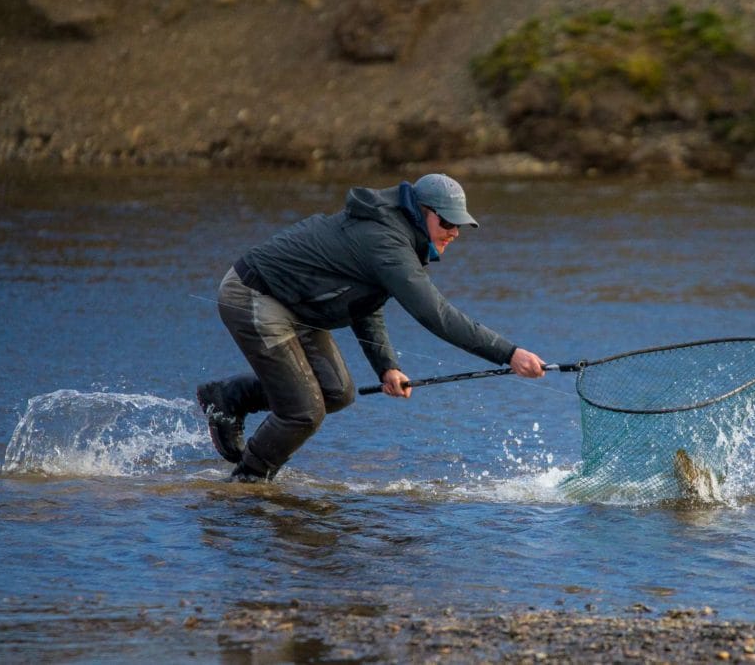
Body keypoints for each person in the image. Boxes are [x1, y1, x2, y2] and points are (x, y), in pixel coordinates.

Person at [197, 173, 547, 482]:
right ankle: (249, 482)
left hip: (299, 303)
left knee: (337, 392)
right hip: (255, 293)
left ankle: (232, 398)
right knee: (303, 412)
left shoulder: (396, 238)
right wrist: (509, 353)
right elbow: (436, 314)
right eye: (447, 223)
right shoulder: (387, 243)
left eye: (459, 226)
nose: (454, 232)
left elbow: (365, 303)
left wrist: (387, 366)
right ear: (422, 211)